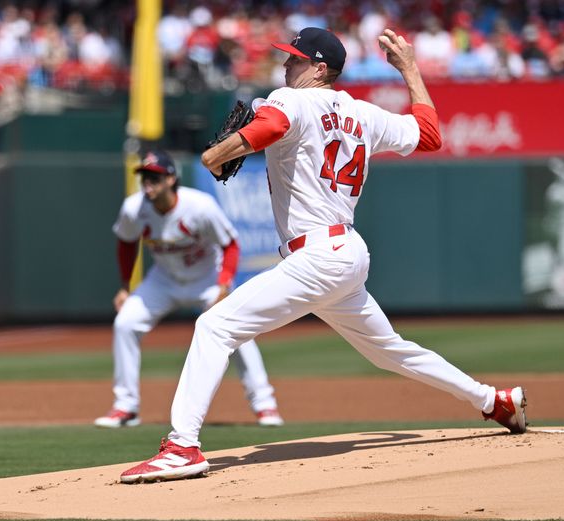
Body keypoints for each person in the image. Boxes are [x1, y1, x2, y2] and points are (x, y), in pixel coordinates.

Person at [119, 27, 526, 483]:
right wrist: (410, 68)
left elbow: (271, 126)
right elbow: (429, 135)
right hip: (345, 253)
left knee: (214, 326)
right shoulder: (363, 114)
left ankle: (182, 447)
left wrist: (218, 152)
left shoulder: (291, 99)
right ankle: (493, 401)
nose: (286, 65)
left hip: (316, 255)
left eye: (295, 59)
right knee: (391, 351)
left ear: (319, 68)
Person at [94, 149, 284, 429]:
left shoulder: (200, 206)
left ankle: (264, 404)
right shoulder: (134, 208)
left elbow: (230, 244)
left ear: (171, 179)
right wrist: (125, 286)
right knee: (125, 323)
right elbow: (126, 242)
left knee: (237, 328)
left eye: (155, 176)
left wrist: (224, 282)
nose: (148, 182)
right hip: (163, 279)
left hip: (206, 278)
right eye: (145, 176)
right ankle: (126, 407)